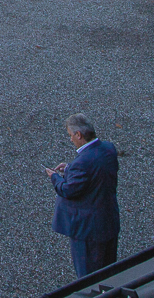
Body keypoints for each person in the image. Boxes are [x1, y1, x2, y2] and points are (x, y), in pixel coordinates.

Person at [46, 113, 120, 277]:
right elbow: (95, 173)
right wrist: (70, 169)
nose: (71, 139)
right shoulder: (109, 149)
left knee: (88, 277)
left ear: (78, 134)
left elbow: (68, 190)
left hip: (87, 230)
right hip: (109, 223)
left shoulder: (82, 162)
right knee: (109, 273)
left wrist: (55, 177)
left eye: (71, 135)